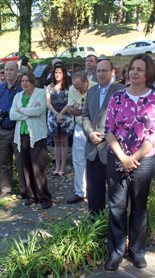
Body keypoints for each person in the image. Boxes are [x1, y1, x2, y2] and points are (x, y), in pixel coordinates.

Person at [104, 54, 155, 271]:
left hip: (143, 162)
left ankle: (137, 252)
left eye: (139, 69)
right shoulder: (117, 97)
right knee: (117, 207)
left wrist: (134, 159)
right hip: (117, 159)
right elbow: (109, 130)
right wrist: (122, 157)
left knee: (139, 208)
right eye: (132, 68)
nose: (134, 72)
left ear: (148, 73)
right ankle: (116, 253)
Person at [82, 59, 126, 215]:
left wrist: (101, 134)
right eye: (98, 71)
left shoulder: (121, 90)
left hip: (111, 150)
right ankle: (95, 226)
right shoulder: (92, 91)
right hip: (92, 150)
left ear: (112, 72)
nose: (100, 74)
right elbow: (85, 115)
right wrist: (90, 133)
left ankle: (115, 228)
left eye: (104, 71)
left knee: (116, 195)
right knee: (94, 194)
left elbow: (122, 120)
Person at [10, 71, 52, 209]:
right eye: (22, 80)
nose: (24, 83)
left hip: (37, 135)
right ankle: (31, 196)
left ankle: (44, 197)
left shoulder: (40, 93)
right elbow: (12, 115)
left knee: (38, 167)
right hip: (22, 134)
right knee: (26, 166)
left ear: (33, 82)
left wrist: (21, 110)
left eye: (27, 80)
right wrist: (26, 112)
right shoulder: (18, 96)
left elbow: (38, 111)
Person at [0, 61, 26, 199]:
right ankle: (6, 188)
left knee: (20, 161)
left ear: (17, 72)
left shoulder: (21, 88)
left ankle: (24, 189)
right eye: (6, 70)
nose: (8, 72)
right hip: (3, 129)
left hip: (17, 128)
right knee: (4, 161)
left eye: (11, 70)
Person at [66, 72, 97, 204]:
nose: (78, 90)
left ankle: (94, 191)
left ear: (86, 82)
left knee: (95, 161)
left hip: (93, 128)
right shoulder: (73, 88)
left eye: (81, 88)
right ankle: (80, 192)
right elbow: (69, 110)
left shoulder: (95, 88)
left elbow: (95, 111)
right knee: (78, 161)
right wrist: (84, 109)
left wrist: (78, 107)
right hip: (79, 127)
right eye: (76, 88)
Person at [46, 63, 74, 176]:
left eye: (60, 73)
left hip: (66, 117)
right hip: (53, 116)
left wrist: (61, 114)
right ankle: (56, 167)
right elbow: (48, 103)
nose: (57, 75)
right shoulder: (50, 87)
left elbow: (70, 102)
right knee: (56, 143)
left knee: (64, 142)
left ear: (64, 74)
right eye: (56, 73)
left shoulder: (69, 87)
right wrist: (56, 114)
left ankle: (63, 167)